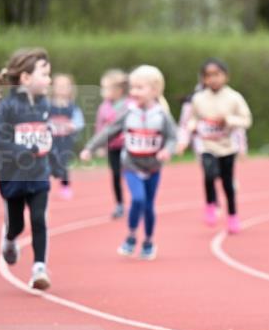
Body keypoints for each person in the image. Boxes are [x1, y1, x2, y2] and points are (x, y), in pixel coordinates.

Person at [81, 66, 178, 261]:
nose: (133, 92)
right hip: (131, 165)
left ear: (155, 90)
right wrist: (90, 147)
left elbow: (172, 137)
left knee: (149, 205)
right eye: (132, 88)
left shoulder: (161, 115)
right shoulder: (128, 113)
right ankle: (132, 235)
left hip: (153, 167)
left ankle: (149, 241)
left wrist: (167, 150)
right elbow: (109, 131)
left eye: (140, 88)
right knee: (138, 199)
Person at [0, 48, 53, 290]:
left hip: (38, 174)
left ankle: (39, 268)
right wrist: (23, 151)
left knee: (39, 219)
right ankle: (9, 240)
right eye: (44, 74)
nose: (49, 79)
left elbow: (47, 137)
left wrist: (54, 159)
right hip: (12, 176)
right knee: (17, 225)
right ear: (26, 78)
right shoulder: (6, 106)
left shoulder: (45, 104)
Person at [179, 58, 253, 234]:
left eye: (217, 75)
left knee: (228, 184)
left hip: (227, 147)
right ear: (203, 79)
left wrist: (228, 120)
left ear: (225, 76)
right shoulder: (198, 98)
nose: (213, 79)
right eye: (208, 76)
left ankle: (232, 216)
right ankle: (210, 204)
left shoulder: (234, 97)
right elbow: (192, 118)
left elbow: (246, 120)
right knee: (209, 173)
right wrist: (190, 129)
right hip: (207, 145)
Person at [95, 69, 128, 219]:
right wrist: (100, 146)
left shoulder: (128, 104)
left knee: (132, 174)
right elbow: (100, 127)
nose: (103, 91)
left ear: (119, 90)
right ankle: (119, 204)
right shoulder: (103, 107)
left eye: (106, 87)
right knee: (115, 175)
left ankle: (138, 201)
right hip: (113, 147)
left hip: (129, 147)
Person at [48, 73, 85, 201]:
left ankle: (65, 186)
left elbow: (79, 122)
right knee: (47, 163)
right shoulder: (48, 106)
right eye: (59, 86)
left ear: (70, 88)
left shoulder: (72, 107)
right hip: (49, 141)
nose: (62, 88)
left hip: (65, 141)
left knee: (63, 164)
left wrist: (72, 126)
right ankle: (43, 186)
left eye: (65, 86)